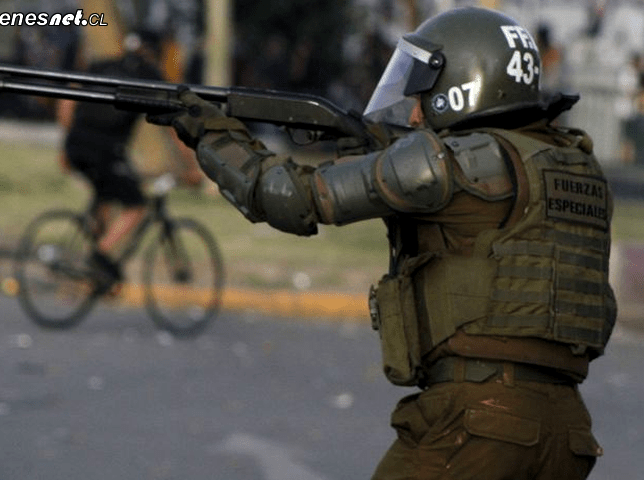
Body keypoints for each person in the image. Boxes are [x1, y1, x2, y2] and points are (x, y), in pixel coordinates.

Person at [148, 7, 616, 479]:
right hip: (566, 433)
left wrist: (211, 133)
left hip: (478, 422)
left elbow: (287, 197)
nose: (414, 112)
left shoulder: (451, 163)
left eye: (423, 96)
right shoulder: (571, 165)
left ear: (462, 85)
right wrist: (367, 144)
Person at [57, 30, 202, 292]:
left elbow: (68, 99)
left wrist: (66, 141)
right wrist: (191, 166)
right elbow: (174, 125)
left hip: (77, 144)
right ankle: (99, 255)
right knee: (136, 206)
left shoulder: (102, 65)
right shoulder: (149, 75)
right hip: (105, 150)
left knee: (107, 194)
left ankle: (98, 276)